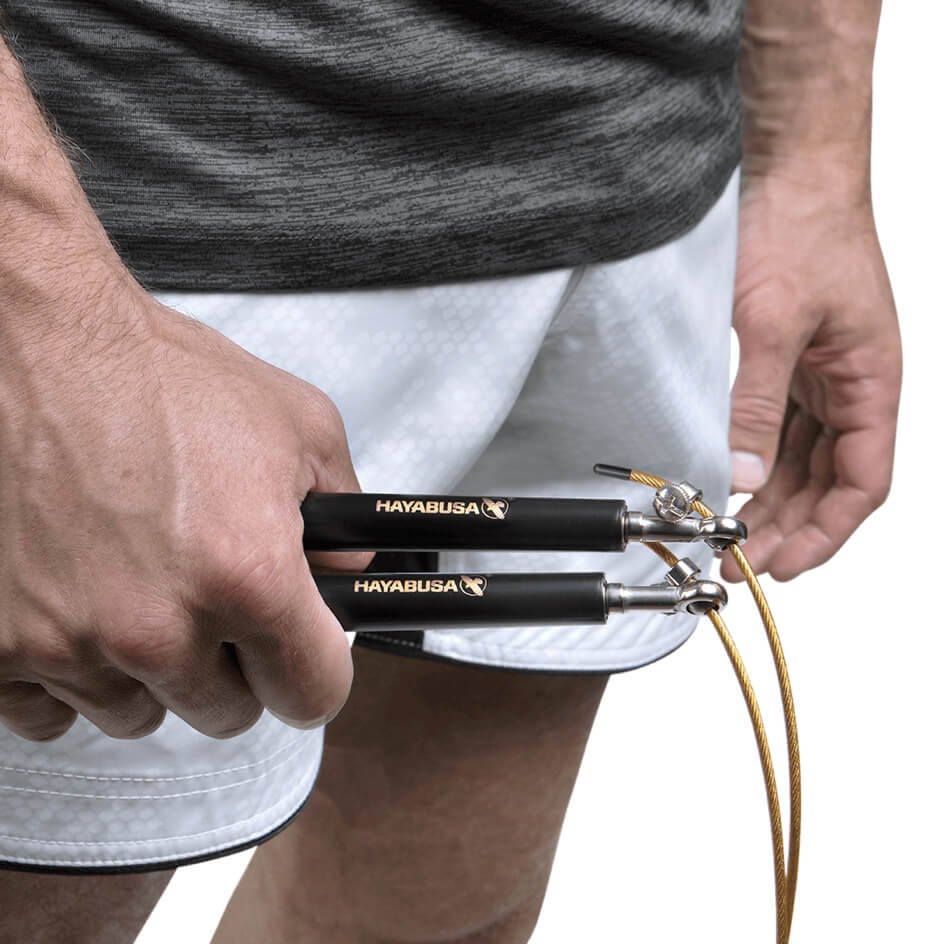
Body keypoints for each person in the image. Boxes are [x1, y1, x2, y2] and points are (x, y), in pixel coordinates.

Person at [0, 1, 901, 942]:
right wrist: (47, 326)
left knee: (447, 910)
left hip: (648, 175)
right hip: (132, 216)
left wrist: (813, 157)